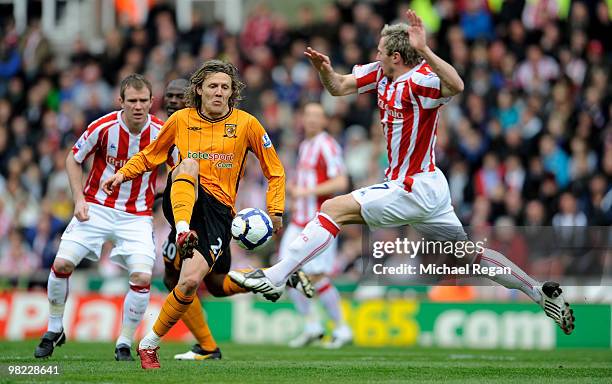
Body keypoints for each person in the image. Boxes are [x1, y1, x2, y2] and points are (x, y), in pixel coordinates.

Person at [229, 10, 575, 335]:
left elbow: (457, 86)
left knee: (332, 209)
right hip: (425, 189)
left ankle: (276, 275)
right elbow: (338, 86)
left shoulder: (421, 80)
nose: (376, 55)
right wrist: (324, 69)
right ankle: (538, 291)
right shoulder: (380, 73)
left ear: (396, 57)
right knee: (470, 253)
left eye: (380, 51)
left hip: (413, 186)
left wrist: (425, 48)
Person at [101, 60, 287, 369]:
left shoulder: (247, 124)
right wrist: (122, 174)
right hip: (183, 200)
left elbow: (275, 170)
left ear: (232, 93)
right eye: (212, 86)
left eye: (225, 87)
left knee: (189, 283)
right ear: (198, 89)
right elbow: (150, 155)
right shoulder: (181, 120)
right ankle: (184, 231)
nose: (219, 92)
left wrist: (276, 210)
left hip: (218, 213)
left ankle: (149, 344)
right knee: (187, 165)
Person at [159, 78, 313, 361]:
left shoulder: (214, 126)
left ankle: (207, 346)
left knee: (178, 277)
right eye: (169, 96)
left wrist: (275, 209)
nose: (173, 101)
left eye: (179, 96)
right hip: (194, 212)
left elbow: (268, 169)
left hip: (204, 215)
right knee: (216, 284)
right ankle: (276, 278)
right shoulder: (170, 127)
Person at [34, 74, 169, 361]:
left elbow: (180, 167)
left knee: (142, 276)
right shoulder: (103, 126)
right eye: (131, 100)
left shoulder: (161, 132)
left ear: (151, 101)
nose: (137, 106)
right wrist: (78, 199)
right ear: (120, 101)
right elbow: (73, 158)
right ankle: (54, 327)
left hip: (136, 216)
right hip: (96, 207)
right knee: (61, 263)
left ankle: (123, 343)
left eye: (143, 100)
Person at [281, 102, 352, 349]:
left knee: (317, 276)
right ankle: (312, 326)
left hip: (319, 222)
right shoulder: (304, 145)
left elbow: (341, 182)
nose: (311, 120)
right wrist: (294, 190)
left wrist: (306, 190)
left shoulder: (327, 145)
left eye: (316, 116)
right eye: (307, 115)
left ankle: (342, 329)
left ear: (324, 121)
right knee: (286, 273)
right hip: (298, 221)